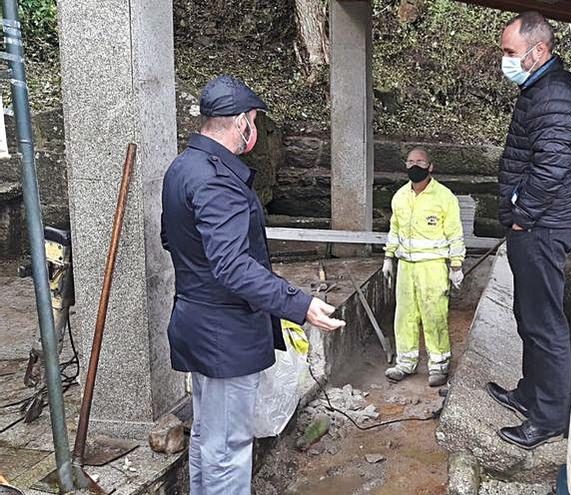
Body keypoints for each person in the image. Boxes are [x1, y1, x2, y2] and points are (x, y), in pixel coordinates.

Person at [161, 75, 345, 494]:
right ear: (240, 121)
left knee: (207, 436)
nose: (255, 131)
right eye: (255, 121)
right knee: (228, 448)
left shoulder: (181, 168)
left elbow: (171, 239)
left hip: (195, 321)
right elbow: (231, 265)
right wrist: (299, 303)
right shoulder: (216, 180)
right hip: (225, 335)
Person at [484, 11, 571, 450]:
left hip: (542, 227)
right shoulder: (539, 88)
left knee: (545, 324)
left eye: (510, 52)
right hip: (533, 224)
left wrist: (523, 214)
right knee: (528, 317)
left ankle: (548, 418)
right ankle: (530, 394)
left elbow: (551, 166)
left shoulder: (556, 95)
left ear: (538, 51)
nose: (504, 60)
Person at [382, 147, 466, 387]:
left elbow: (455, 233)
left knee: (434, 315)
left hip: (433, 266)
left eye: (420, 161)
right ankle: (405, 362)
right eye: (410, 161)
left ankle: (439, 365)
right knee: (405, 315)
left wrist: (456, 265)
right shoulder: (400, 196)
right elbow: (395, 229)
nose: (414, 166)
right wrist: (388, 258)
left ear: (430, 167)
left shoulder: (444, 197)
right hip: (406, 266)